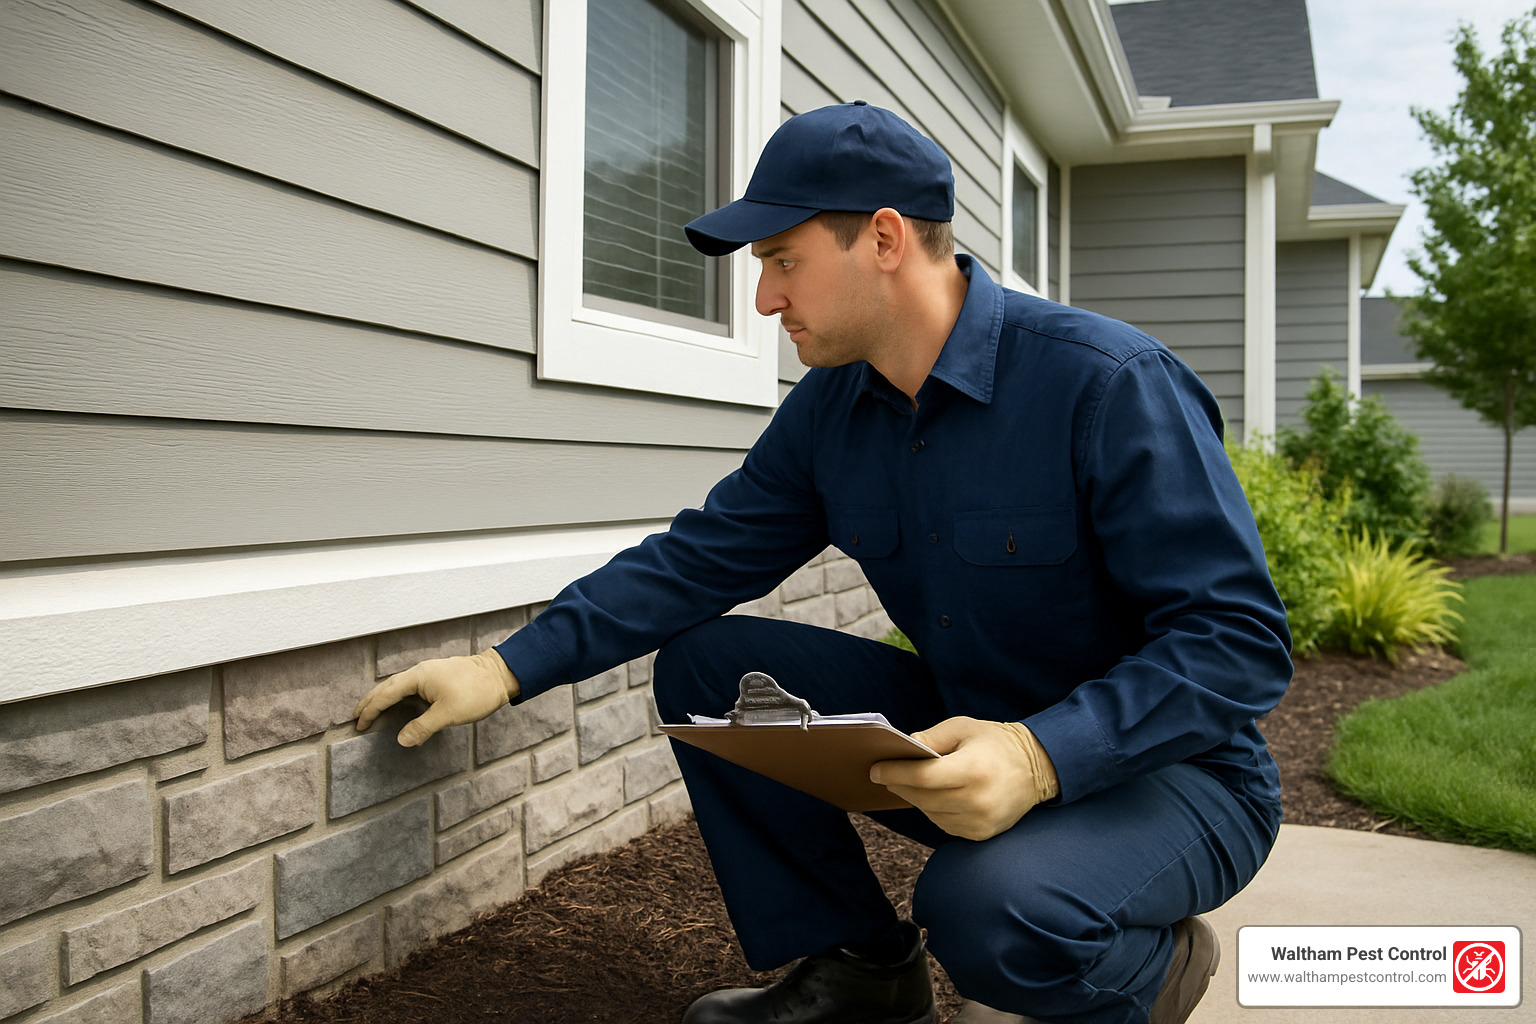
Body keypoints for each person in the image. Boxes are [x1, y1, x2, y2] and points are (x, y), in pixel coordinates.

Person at [354, 101, 1292, 1024]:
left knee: (987, 911)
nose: (764, 299)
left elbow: (1236, 643)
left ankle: (1150, 969)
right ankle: (862, 974)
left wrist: (1042, 757)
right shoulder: (833, 410)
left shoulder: (1106, 384)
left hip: (1175, 774)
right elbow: (698, 560)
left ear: (883, 239)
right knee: (715, 669)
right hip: (972, 735)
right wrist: (502, 668)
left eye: (781, 261)